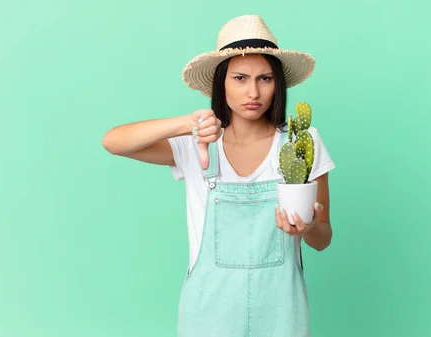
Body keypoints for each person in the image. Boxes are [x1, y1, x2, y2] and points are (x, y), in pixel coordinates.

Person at [102, 14, 335, 337]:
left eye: (265, 79)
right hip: (208, 314)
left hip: (282, 313)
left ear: (277, 83)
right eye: (240, 78)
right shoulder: (196, 145)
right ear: (221, 82)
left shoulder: (301, 144)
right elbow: (113, 142)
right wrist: (185, 124)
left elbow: (323, 239)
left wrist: (308, 228)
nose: (253, 92)